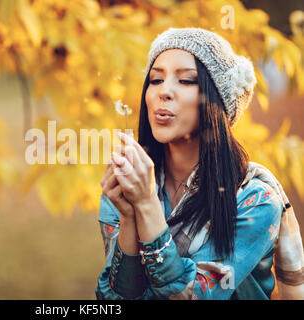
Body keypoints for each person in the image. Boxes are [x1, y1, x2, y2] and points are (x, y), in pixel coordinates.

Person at [96, 27, 303, 300]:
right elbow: (116, 297)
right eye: (156, 80)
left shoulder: (256, 200)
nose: (164, 92)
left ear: (216, 102)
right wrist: (129, 216)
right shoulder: (128, 185)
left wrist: (146, 204)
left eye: (186, 81)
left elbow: (195, 295)